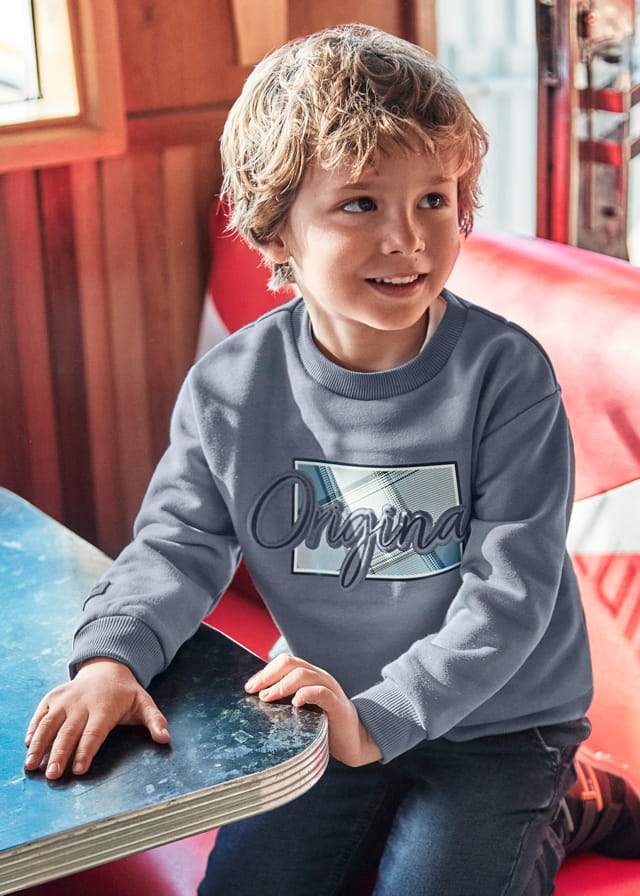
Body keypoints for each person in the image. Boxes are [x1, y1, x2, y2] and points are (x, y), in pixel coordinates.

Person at [22, 24, 637, 895]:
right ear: (276, 230)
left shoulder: (506, 375)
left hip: (500, 725)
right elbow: (177, 545)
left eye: (434, 199)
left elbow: (511, 594)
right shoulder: (233, 387)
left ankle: (572, 799)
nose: (408, 238)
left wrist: (381, 721)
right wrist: (111, 661)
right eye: (360, 204)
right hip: (323, 703)